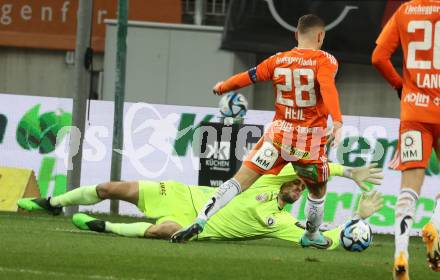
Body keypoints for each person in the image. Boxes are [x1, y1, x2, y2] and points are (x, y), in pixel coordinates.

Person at [171, 14, 344, 248]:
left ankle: (201, 218)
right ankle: (312, 235)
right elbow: (327, 87)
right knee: (318, 189)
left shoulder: (277, 61)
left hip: (277, 136)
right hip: (308, 141)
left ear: (296, 35)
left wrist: (224, 86)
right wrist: (338, 122)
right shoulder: (326, 60)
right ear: (321, 36)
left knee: (238, 181)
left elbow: (248, 77)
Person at [17, 163, 382, 246]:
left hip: (191, 225)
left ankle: (105, 226)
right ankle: (51, 202)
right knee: (111, 187)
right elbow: (315, 163)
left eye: (304, 190)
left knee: (165, 231)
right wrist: (350, 173)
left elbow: (322, 239)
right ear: (288, 177)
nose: (299, 190)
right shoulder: (272, 177)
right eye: (298, 184)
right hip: (183, 195)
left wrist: (355, 219)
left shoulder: (284, 222)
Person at [371, 0, 440, 279]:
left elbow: (378, 58)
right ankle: (434, 225)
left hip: (413, 111)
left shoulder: (405, 10)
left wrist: (400, 84)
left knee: (409, 188)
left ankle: (401, 253)